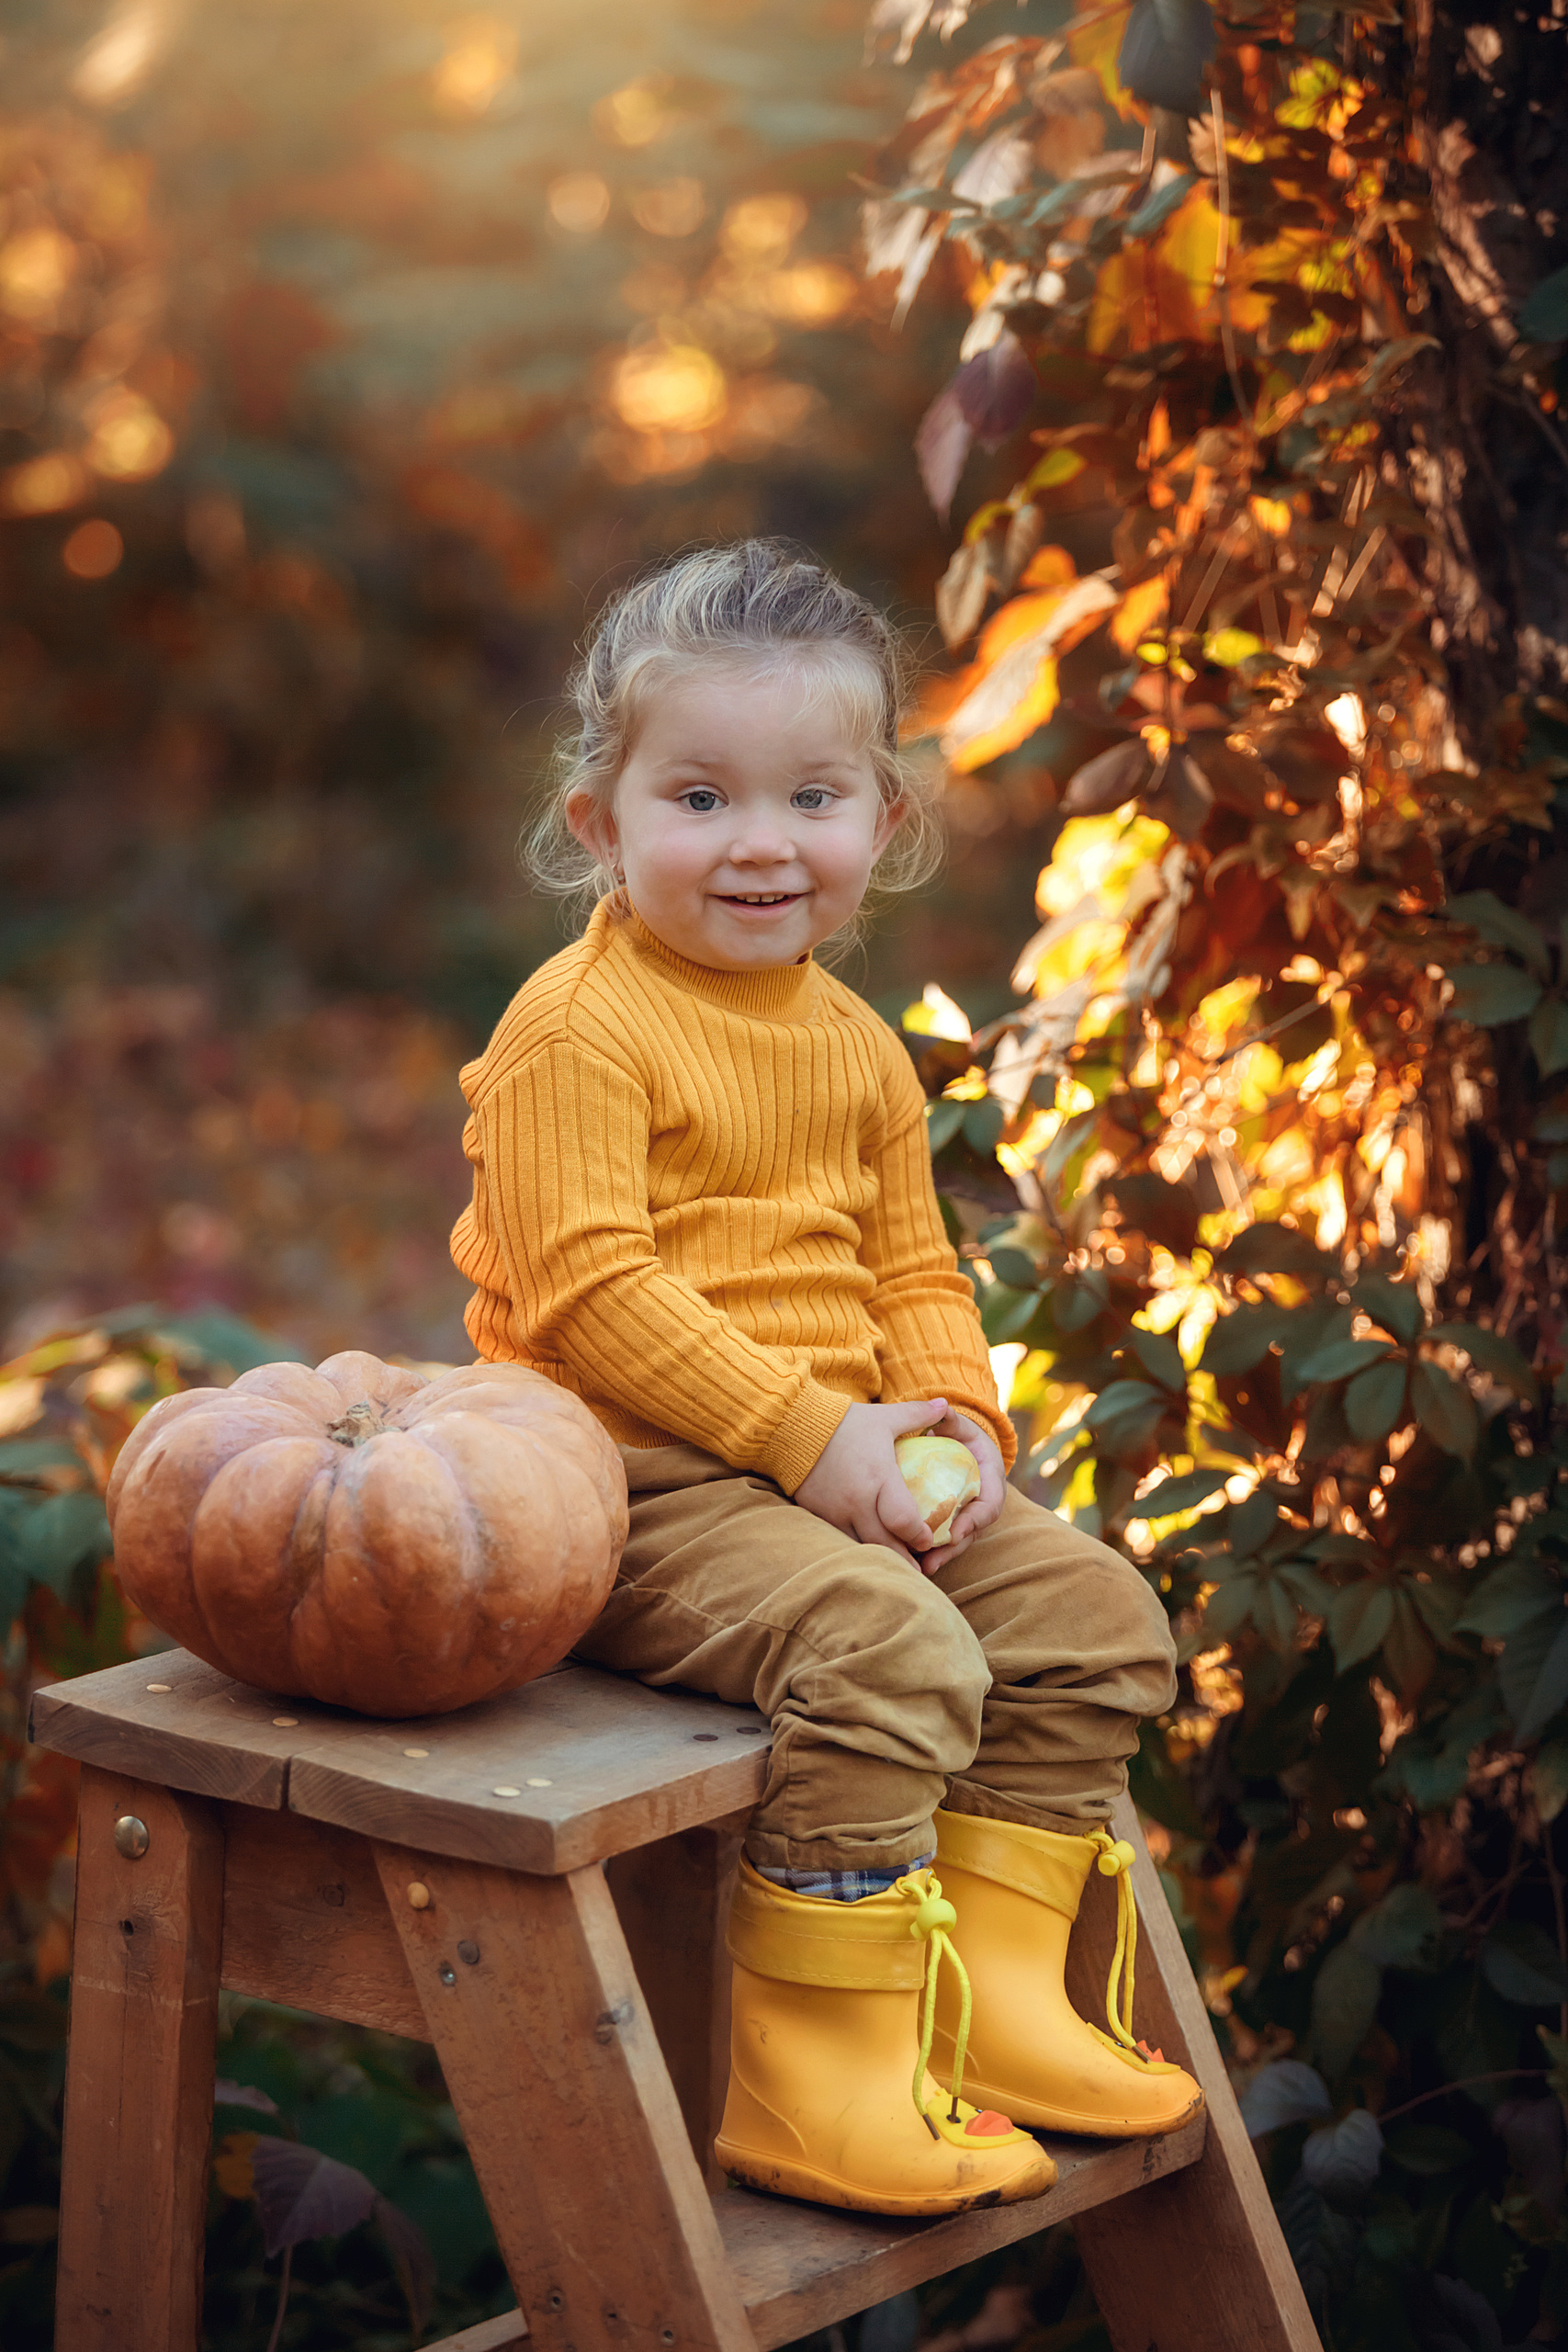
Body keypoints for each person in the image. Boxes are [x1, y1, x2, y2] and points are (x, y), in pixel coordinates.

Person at [451, 539, 1200, 2218]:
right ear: (600, 822)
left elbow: (913, 1270)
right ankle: (822, 2074)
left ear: (883, 818)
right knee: (885, 1647)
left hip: (837, 1464)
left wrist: (957, 1427)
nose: (762, 842)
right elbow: (589, 1294)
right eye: (700, 797)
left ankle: (997, 2007)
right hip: (632, 1487)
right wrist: (812, 1439)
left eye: (813, 797)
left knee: (1093, 1620)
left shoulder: (856, 1046)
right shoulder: (577, 1031)